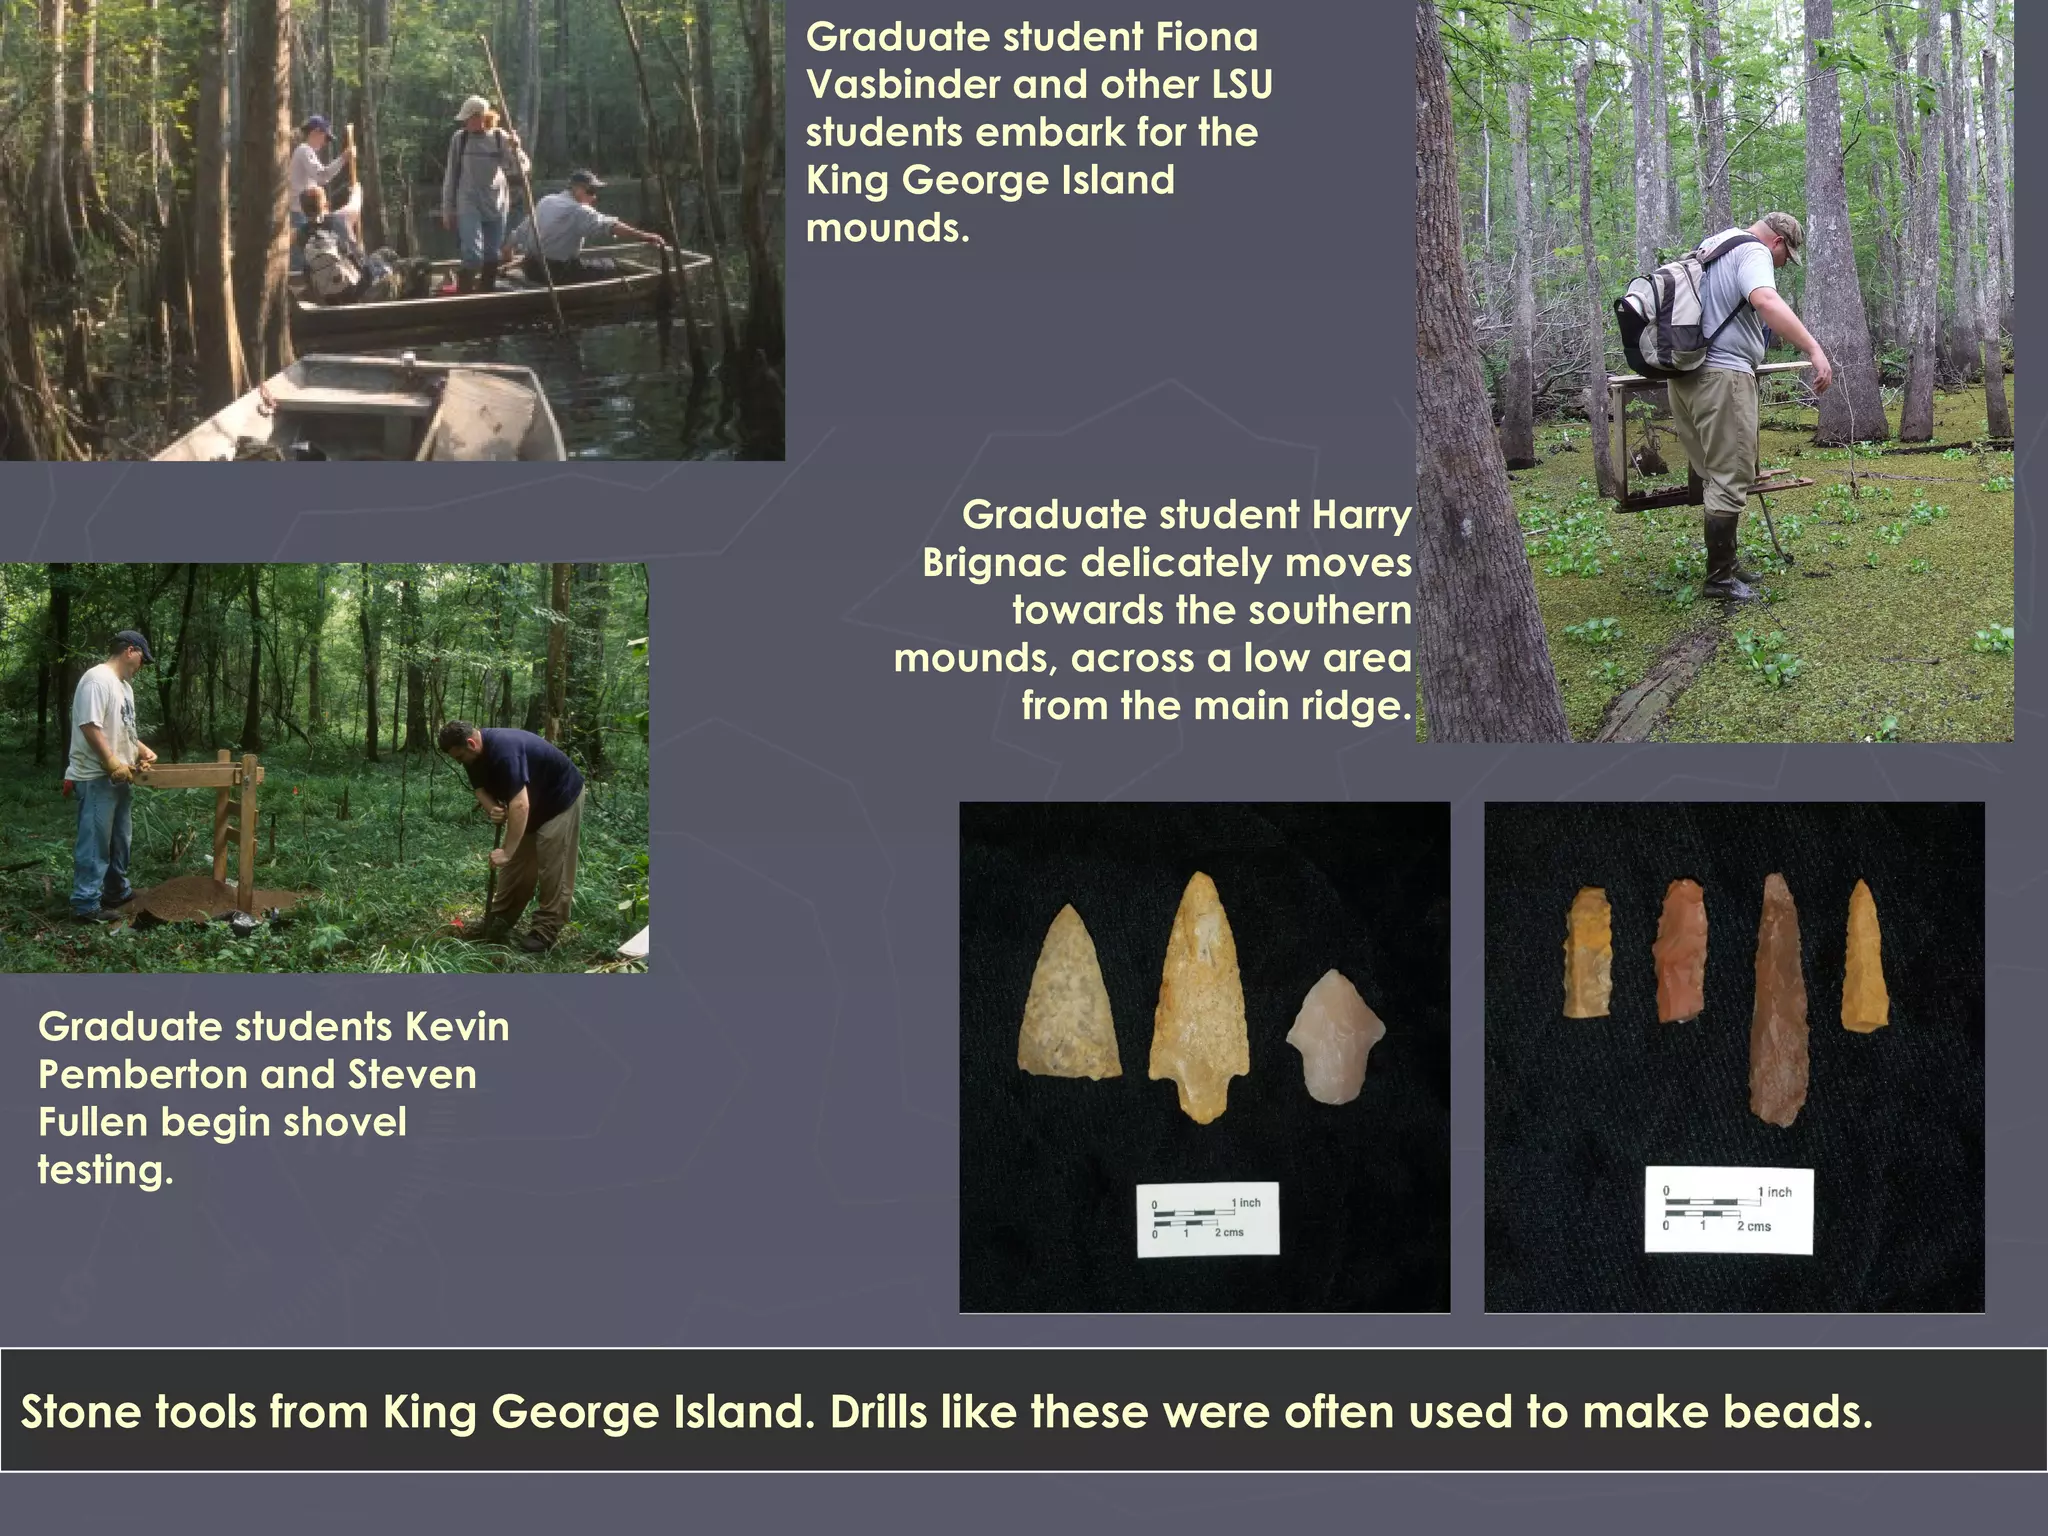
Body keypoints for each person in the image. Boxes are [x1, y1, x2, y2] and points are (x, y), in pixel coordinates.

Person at [1669, 210, 1834, 603]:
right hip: (1721, 378)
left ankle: (1727, 565)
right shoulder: (1754, 251)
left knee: (1715, 473)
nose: (1783, 264)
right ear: (1777, 242)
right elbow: (1765, 300)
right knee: (1731, 474)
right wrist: (1813, 349)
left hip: (1685, 376)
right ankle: (1720, 580)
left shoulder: (1713, 246)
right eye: (1786, 257)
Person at [437, 720, 586, 951]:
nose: (459, 762)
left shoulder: (505, 751)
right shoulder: (471, 756)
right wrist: (492, 809)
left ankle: (546, 929)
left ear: (471, 743)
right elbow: (480, 790)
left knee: (553, 865)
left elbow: (520, 805)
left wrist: (506, 851)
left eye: (459, 757)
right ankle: (500, 918)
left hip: (559, 800)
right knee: (517, 866)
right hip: (530, 803)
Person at [67, 631, 157, 922]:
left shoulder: (124, 688)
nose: (142, 666)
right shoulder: (97, 679)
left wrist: (142, 750)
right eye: (142, 658)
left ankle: (116, 892)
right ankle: (86, 905)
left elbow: (123, 729)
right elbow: (89, 726)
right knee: (96, 843)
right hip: (96, 776)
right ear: (130, 650)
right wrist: (110, 762)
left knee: (120, 840)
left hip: (122, 776)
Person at [503, 170, 668, 284]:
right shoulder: (578, 210)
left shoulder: (547, 201)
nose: (594, 197)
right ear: (577, 189)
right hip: (554, 273)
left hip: (531, 268)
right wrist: (645, 236)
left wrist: (507, 252)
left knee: (592, 263)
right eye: (591, 191)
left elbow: (518, 233)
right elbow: (610, 225)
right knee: (612, 266)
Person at [440, 97, 529, 295]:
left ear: (482, 117)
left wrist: (516, 149)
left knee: (491, 254)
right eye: (465, 119)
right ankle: (463, 294)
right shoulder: (460, 138)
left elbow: (522, 168)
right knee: (472, 254)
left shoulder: (499, 137)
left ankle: (485, 293)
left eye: (470, 118)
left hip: (496, 202)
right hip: (468, 200)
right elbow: (450, 175)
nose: (466, 123)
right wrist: (447, 209)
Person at [297, 188, 431, 305]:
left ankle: (396, 279)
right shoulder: (340, 218)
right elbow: (356, 203)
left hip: (328, 295)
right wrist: (356, 189)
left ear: (303, 210)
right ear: (326, 204)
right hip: (360, 287)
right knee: (421, 264)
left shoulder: (301, 234)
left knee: (386, 253)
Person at [289, 115, 357, 265]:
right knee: (301, 257)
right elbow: (321, 176)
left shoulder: (304, 151)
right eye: (325, 138)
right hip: (300, 212)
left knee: (307, 254)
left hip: (303, 212)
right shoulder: (304, 150)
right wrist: (343, 158)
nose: (325, 143)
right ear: (316, 132)